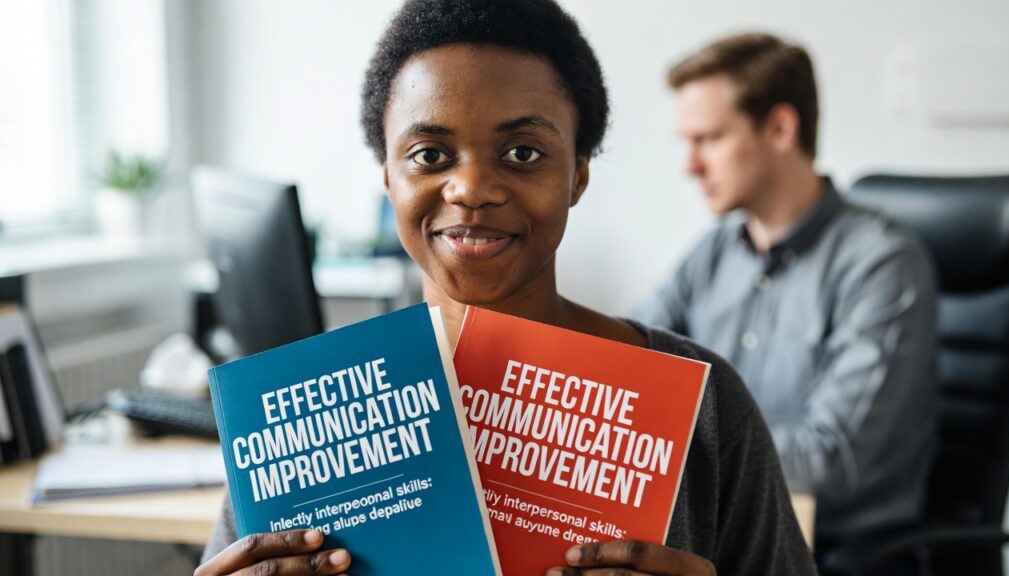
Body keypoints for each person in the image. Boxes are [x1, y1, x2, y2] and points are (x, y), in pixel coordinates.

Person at [196, 3, 816, 575]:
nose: (471, 188)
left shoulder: (706, 407)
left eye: (523, 152)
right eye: (430, 154)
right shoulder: (303, 414)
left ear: (577, 175)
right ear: (386, 175)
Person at [634, 32, 938, 553]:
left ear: (779, 128)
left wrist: (676, 439)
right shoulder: (715, 251)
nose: (689, 165)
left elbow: (831, 457)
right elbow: (630, 361)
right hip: (728, 527)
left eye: (708, 139)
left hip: (837, 549)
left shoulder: (882, 264)